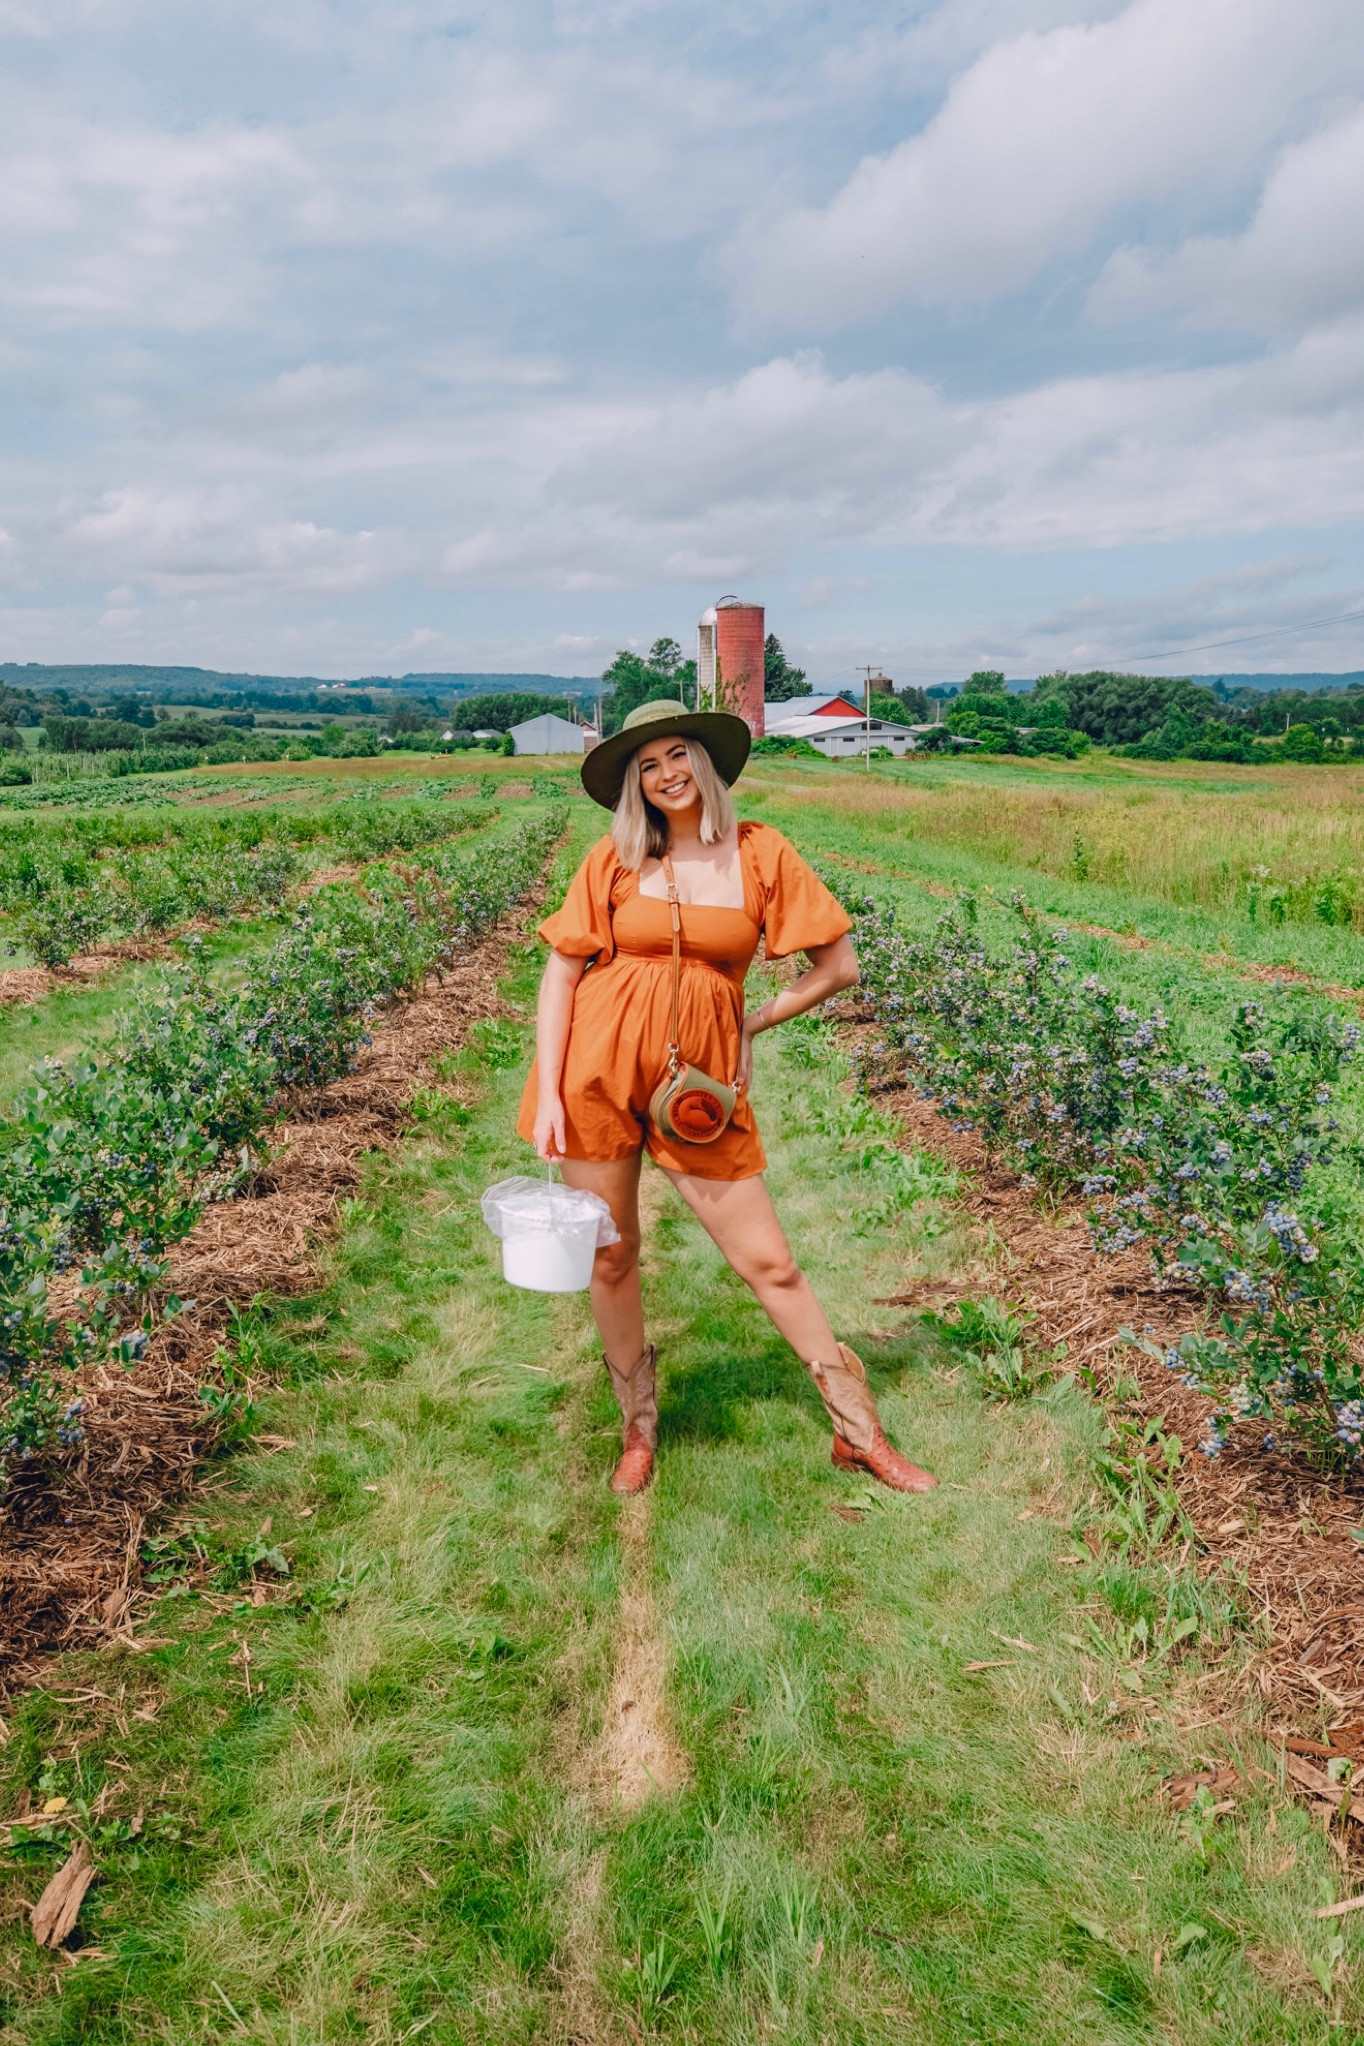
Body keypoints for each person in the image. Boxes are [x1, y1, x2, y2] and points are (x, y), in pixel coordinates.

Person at [517, 697, 937, 1499]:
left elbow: (838, 964)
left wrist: (751, 1019)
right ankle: (638, 1429)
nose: (666, 774)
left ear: (703, 764)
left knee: (769, 1261)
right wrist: (548, 1094)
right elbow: (563, 971)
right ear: (634, 785)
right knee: (611, 1254)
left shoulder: (760, 853)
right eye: (647, 766)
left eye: (677, 755)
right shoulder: (614, 860)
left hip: (697, 1089)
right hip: (594, 1072)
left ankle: (861, 1433)